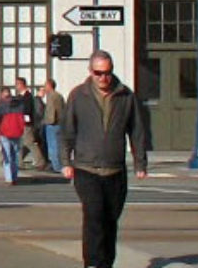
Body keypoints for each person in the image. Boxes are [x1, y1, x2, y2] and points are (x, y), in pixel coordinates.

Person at [60, 49, 147, 268]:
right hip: (86, 168)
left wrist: (140, 163)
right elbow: (67, 130)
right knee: (94, 215)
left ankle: (106, 263)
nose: (103, 78)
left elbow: (136, 130)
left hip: (115, 169)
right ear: (90, 72)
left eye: (107, 72)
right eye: (98, 73)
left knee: (110, 219)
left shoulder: (125, 96)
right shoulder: (78, 95)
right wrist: (65, 161)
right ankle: (92, 262)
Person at [0, 78, 33, 184]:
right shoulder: (19, 103)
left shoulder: (1, 104)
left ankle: (9, 177)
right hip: (17, 131)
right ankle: (14, 176)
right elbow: (24, 115)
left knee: (7, 155)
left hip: (4, 132)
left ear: (2, 94)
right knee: (15, 154)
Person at [39, 77, 66, 175]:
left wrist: (47, 121)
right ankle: (58, 164)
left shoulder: (51, 96)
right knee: (58, 145)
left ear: (49, 85)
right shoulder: (59, 95)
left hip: (52, 124)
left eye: (45, 85)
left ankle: (56, 166)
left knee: (52, 146)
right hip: (60, 123)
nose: (44, 87)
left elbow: (51, 111)